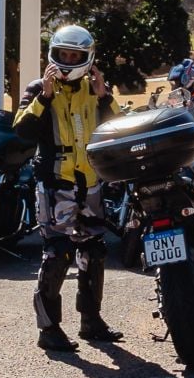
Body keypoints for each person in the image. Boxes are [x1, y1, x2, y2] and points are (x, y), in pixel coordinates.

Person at [14, 24, 122, 353]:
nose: (68, 60)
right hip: (54, 183)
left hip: (89, 182)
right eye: (63, 54)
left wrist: (105, 96)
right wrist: (43, 98)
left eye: (75, 55)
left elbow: (116, 127)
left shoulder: (95, 89)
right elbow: (21, 131)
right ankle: (48, 329)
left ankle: (91, 321)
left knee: (94, 251)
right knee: (57, 253)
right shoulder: (38, 88)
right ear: (54, 54)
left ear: (87, 57)